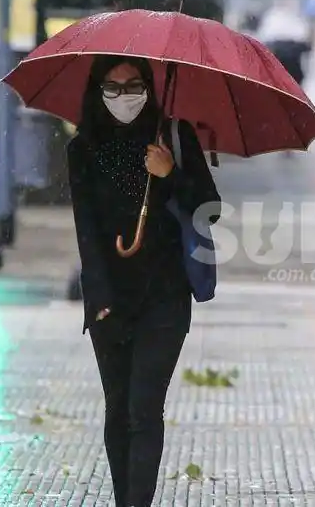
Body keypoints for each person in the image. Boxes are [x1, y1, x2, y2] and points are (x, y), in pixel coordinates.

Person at [67, 55, 221, 506]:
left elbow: (208, 208)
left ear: (150, 88)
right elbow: (86, 230)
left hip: (165, 297)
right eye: (112, 88)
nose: (124, 97)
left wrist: (170, 175)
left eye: (133, 86)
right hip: (110, 299)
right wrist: (99, 298)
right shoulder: (83, 148)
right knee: (118, 410)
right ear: (97, 91)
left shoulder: (173, 136)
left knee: (144, 410)